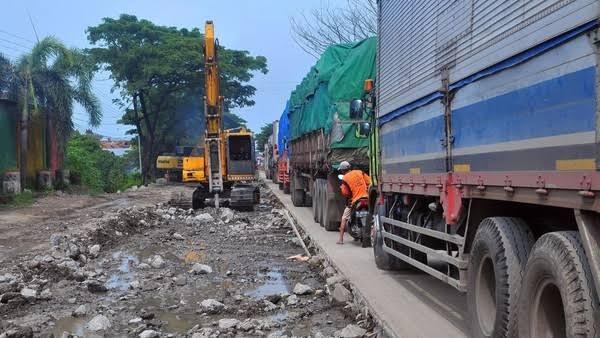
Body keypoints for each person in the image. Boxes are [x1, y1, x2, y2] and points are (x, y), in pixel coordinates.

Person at [337, 161, 370, 244]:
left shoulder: (345, 178)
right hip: (367, 198)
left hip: (355, 201)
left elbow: (346, 193)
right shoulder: (360, 172)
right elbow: (369, 182)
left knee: (344, 218)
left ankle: (340, 239)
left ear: (342, 171)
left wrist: (342, 188)